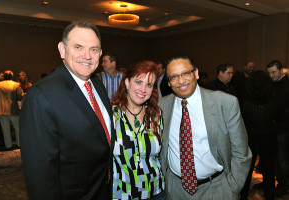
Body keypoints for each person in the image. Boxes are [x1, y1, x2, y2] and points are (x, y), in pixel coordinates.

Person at [20, 21, 114, 200]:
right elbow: (40, 173)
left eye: (94, 49)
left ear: (100, 54)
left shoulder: (97, 85)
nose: (87, 55)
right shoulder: (41, 95)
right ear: (62, 49)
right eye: (78, 47)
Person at [158, 55, 252, 200]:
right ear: (169, 83)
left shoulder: (225, 103)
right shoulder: (161, 106)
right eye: (174, 77)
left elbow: (241, 152)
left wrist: (233, 187)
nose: (181, 81)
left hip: (216, 189)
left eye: (185, 73)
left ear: (196, 73)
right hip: (175, 190)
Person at [111, 61, 166, 200]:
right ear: (127, 83)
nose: (143, 90)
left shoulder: (156, 115)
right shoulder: (111, 115)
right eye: (138, 82)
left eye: (149, 85)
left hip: (155, 192)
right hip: (122, 193)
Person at [239, 70, 277, 200]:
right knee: (269, 170)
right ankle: (270, 195)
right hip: (268, 138)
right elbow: (278, 117)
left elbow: (242, 120)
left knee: (247, 170)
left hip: (250, 138)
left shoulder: (244, 101)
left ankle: (243, 196)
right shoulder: (272, 100)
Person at [266, 60, 289, 198]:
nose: (271, 75)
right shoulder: (271, 84)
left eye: (274, 72)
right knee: (274, 159)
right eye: (269, 73)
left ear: (281, 71)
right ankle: (278, 181)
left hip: (284, 128)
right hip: (272, 128)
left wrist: (277, 115)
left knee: (283, 159)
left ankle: (284, 185)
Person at [0, 70, 23, 150]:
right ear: (12, 77)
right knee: (17, 127)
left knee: (5, 128)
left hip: (1, 109)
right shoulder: (16, 84)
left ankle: (8, 145)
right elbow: (20, 96)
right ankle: (19, 144)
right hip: (13, 109)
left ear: (4, 76)